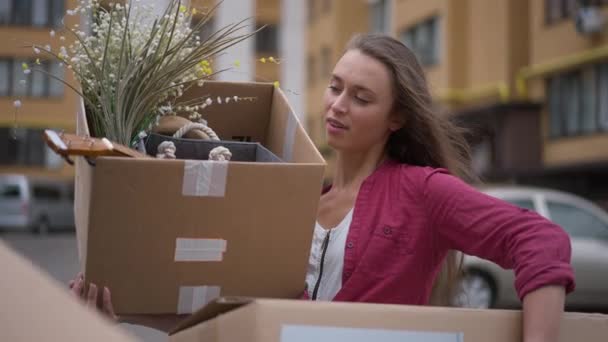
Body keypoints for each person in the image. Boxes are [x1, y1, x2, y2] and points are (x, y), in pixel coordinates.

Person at [69, 33, 575, 340]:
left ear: (396, 117)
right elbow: (241, 318)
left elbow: (540, 241)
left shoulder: (422, 191)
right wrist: (126, 311)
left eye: (360, 97)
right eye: (335, 87)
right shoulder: (300, 200)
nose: (337, 105)